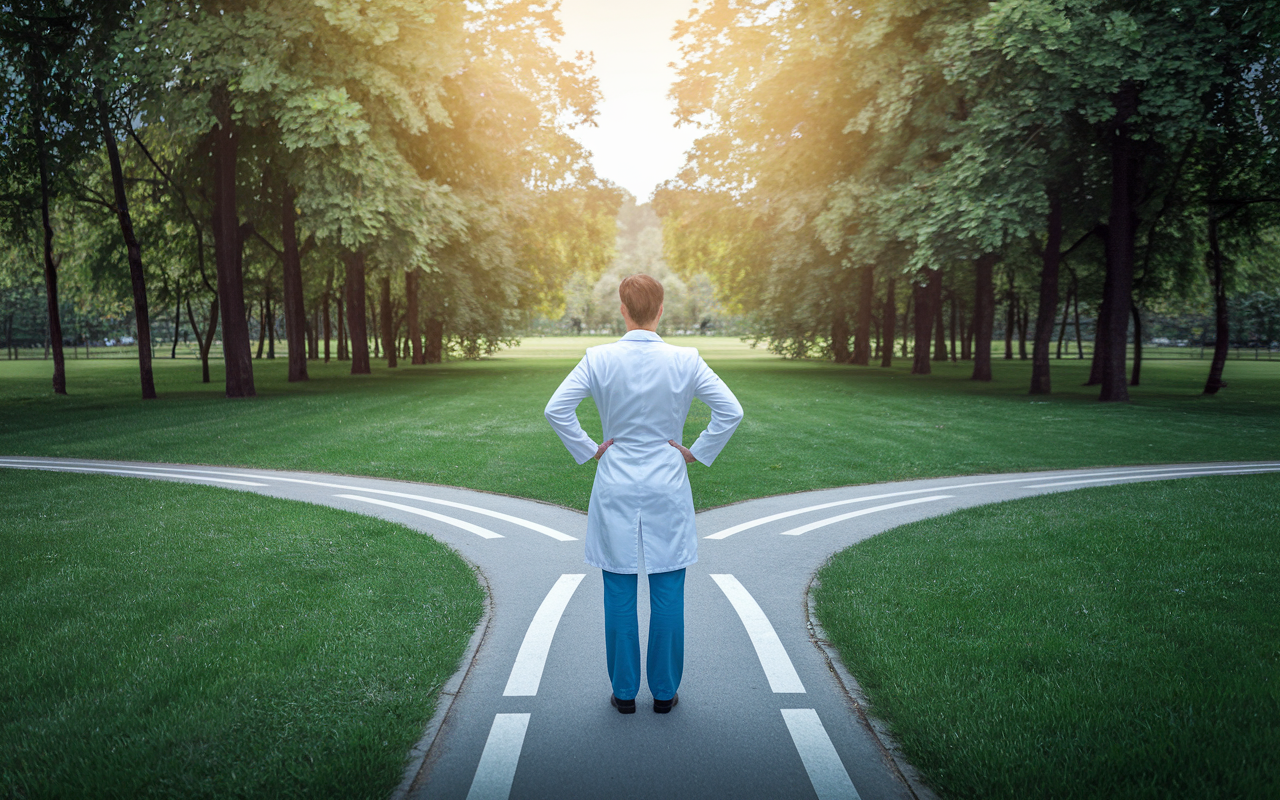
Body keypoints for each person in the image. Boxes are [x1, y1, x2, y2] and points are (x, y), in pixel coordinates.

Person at [544, 274, 743, 714]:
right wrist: (698, 451)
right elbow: (731, 410)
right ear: (660, 309)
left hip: (615, 479)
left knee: (618, 588)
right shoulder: (686, 359)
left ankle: (624, 693)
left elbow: (556, 409)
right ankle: (666, 694)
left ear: (622, 308)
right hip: (667, 481)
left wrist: (588, 447)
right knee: (668, 586)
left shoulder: (598, 358)